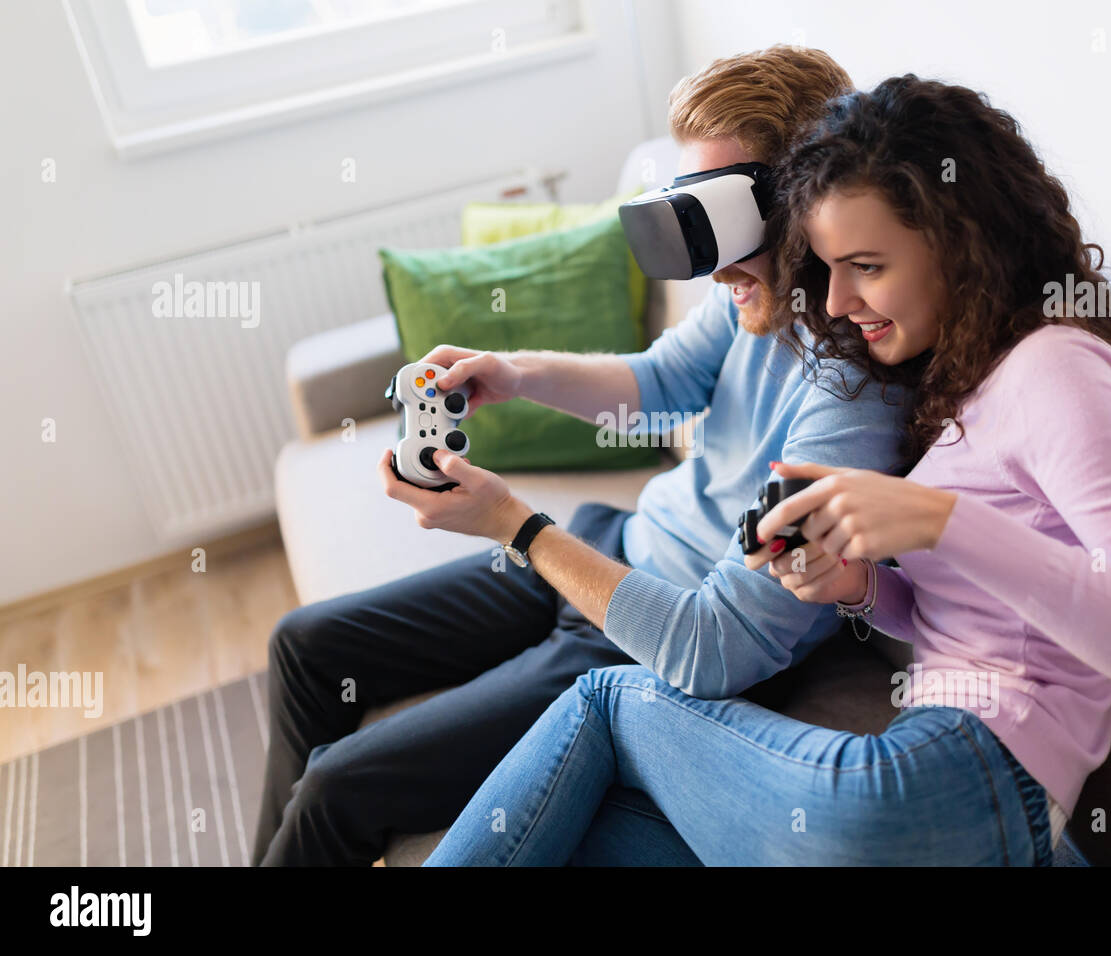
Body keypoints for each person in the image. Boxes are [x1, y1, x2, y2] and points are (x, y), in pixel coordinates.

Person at [424, 75, 1111, 866]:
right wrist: (857, 587)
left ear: (964, 243)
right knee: (585, 834)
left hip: (963, 779)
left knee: (605, 702)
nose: (840, 301)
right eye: (828, 268)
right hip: (970, 809)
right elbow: (980, 626)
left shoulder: (1062, 370)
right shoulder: (968, 382)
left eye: (867, 265)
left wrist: (941, 522)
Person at [251, 46, 916, 866]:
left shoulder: (857, 396)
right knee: (305, 645)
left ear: (812, 198)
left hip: (647, 630)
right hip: (615, 543)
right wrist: (514, 373)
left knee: (335, 789)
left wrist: (510, 524)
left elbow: (717, 645)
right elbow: (663, 379)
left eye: (726, 215)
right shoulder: (760, 291)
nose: (710, 261)